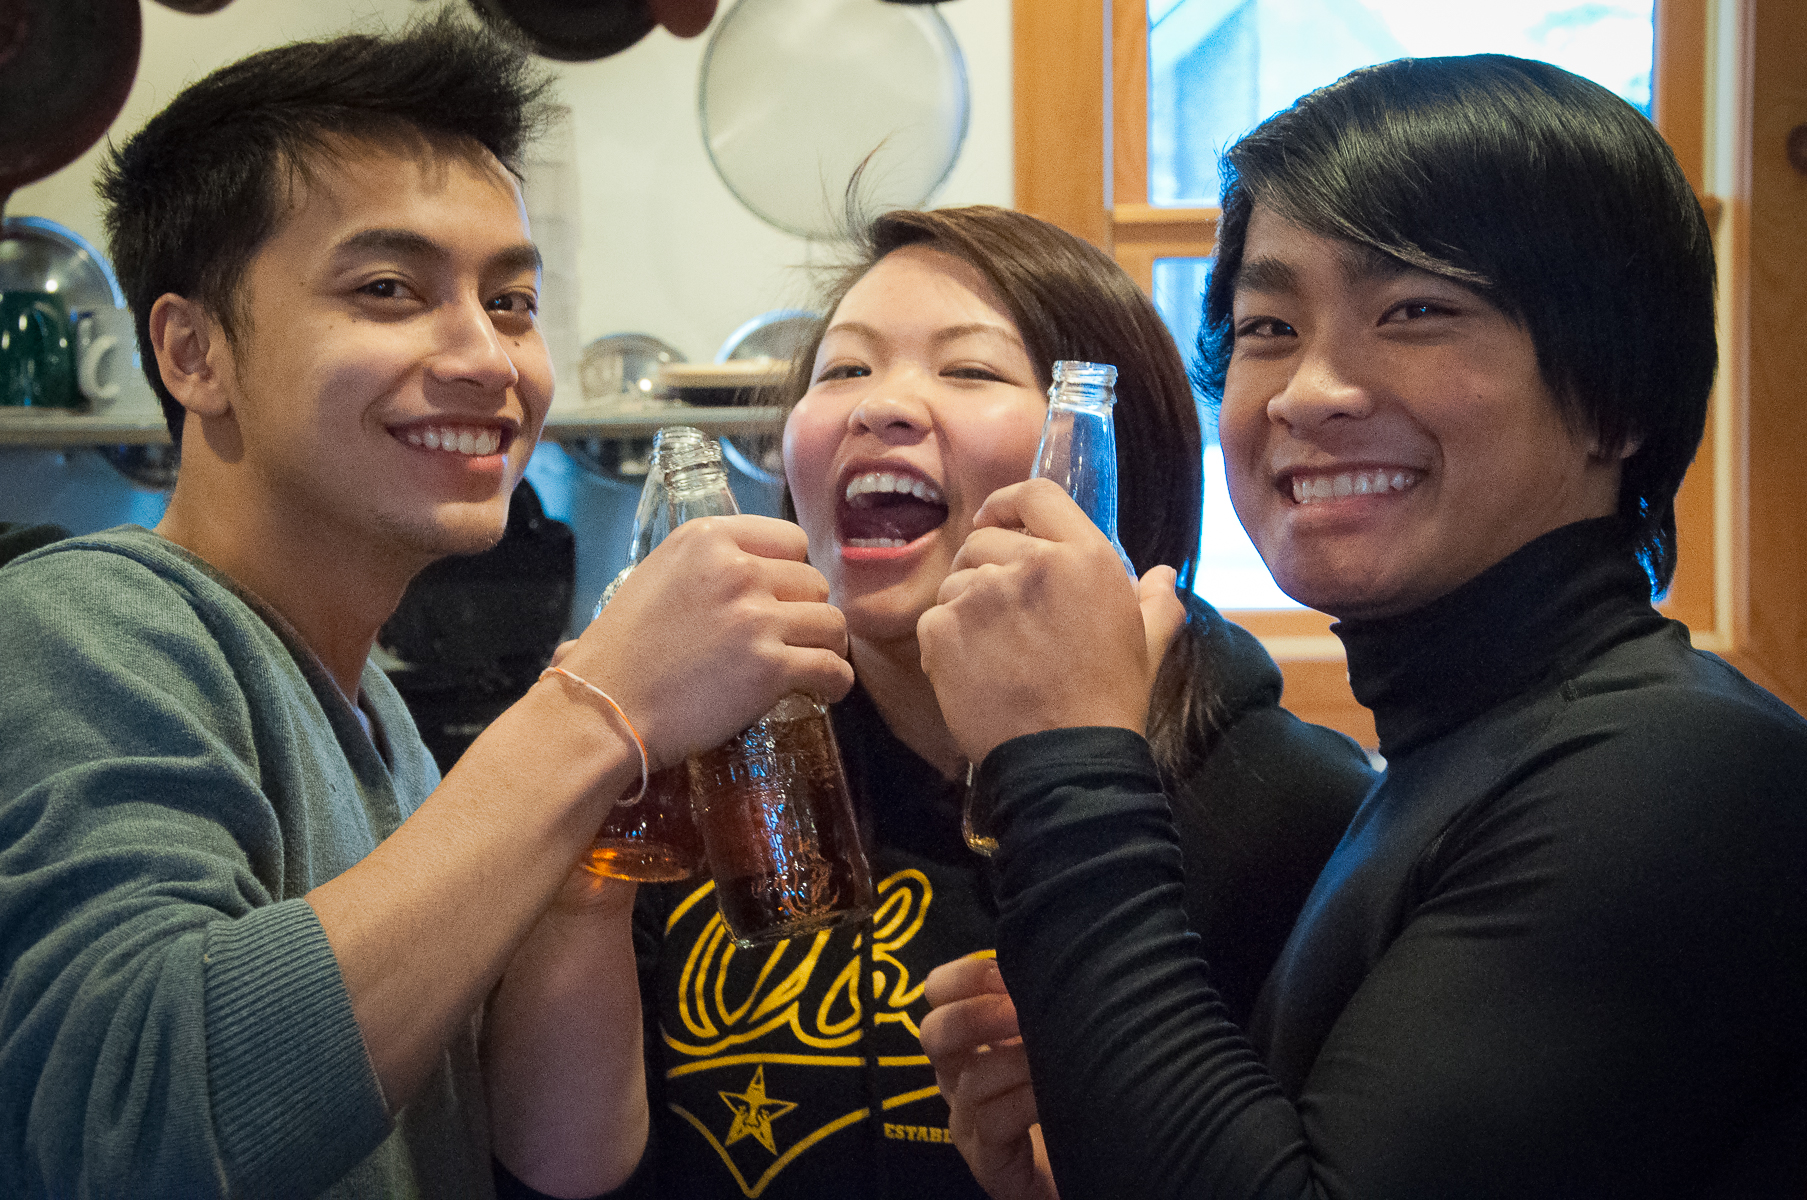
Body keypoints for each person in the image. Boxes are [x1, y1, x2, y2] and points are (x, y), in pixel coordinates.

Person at [917, 54, 1807, 1200]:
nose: (1309, 390)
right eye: (1267, 325)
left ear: (1619, 394)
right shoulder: (1464, 752)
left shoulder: (1677, 768)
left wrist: (1066, 756)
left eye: (1415, 311)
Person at [0, 14, 848, 1200]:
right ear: (193, 353)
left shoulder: (377, 721)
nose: (488, 359)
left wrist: (582, 873)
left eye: (511, 301)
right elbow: (137, 1130)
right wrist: (592, 710)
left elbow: (557, 1161)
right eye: (389, 288)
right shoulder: (82, 627)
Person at [619, 205, 1378, 1199]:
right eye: (843, 370)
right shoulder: (709, 770)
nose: (880, 405)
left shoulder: (1295, 811)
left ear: (1103, 455)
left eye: (969, 369)